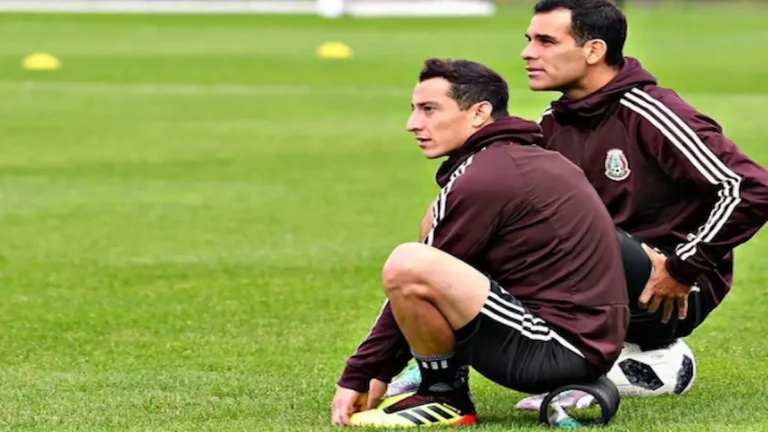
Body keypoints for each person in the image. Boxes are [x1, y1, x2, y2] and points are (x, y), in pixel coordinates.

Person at [330, 57, 630, 428]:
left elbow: (418, 277)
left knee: (410, 264)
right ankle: (430, 371)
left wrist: (362, 373)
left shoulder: (487, 177)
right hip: (582, 341)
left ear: (479, 113)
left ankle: (443, 394)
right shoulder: (515, 159)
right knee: (434, 226)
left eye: (429, 110)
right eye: (414, 110)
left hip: (559, 348)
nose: (413, 124)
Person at [511, 0, 768, 409]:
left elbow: (750, 188)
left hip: (672, 290)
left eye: (545, 41)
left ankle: (622, 364)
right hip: (603, 280)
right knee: (482, 218)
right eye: (529, 40)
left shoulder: (650, 112)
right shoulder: (554, 122)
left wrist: (686, 267)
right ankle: (439, 371)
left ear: (593, 50)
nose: (528, 52)